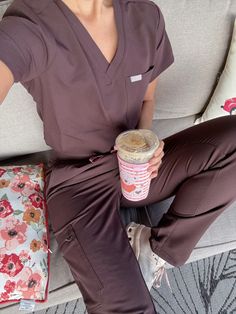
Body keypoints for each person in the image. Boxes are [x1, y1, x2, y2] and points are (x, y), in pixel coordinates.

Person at [0, 0, 236, 313]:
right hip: (78, 186)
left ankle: (158, 251)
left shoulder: (145, 15)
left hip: (136, 167)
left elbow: (148, 98)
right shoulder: (31, 23)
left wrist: (147, 143)